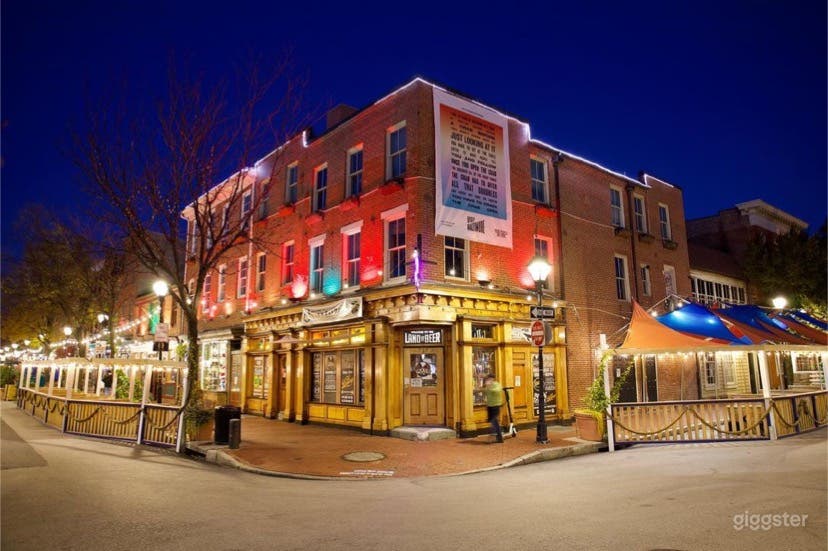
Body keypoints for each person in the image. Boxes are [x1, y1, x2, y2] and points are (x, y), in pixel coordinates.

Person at [484, 374, 504, 443]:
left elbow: (497, 391)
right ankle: (499, 437)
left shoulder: (497, 384)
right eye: (488, 379)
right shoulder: (489, 385)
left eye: (489, 378)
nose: (488, 380)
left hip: (496, 405)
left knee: (494, 421)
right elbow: (486, 393)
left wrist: (489, 387)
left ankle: (496, 437)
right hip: (490, 405)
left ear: (492, 379)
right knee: (493, 421)